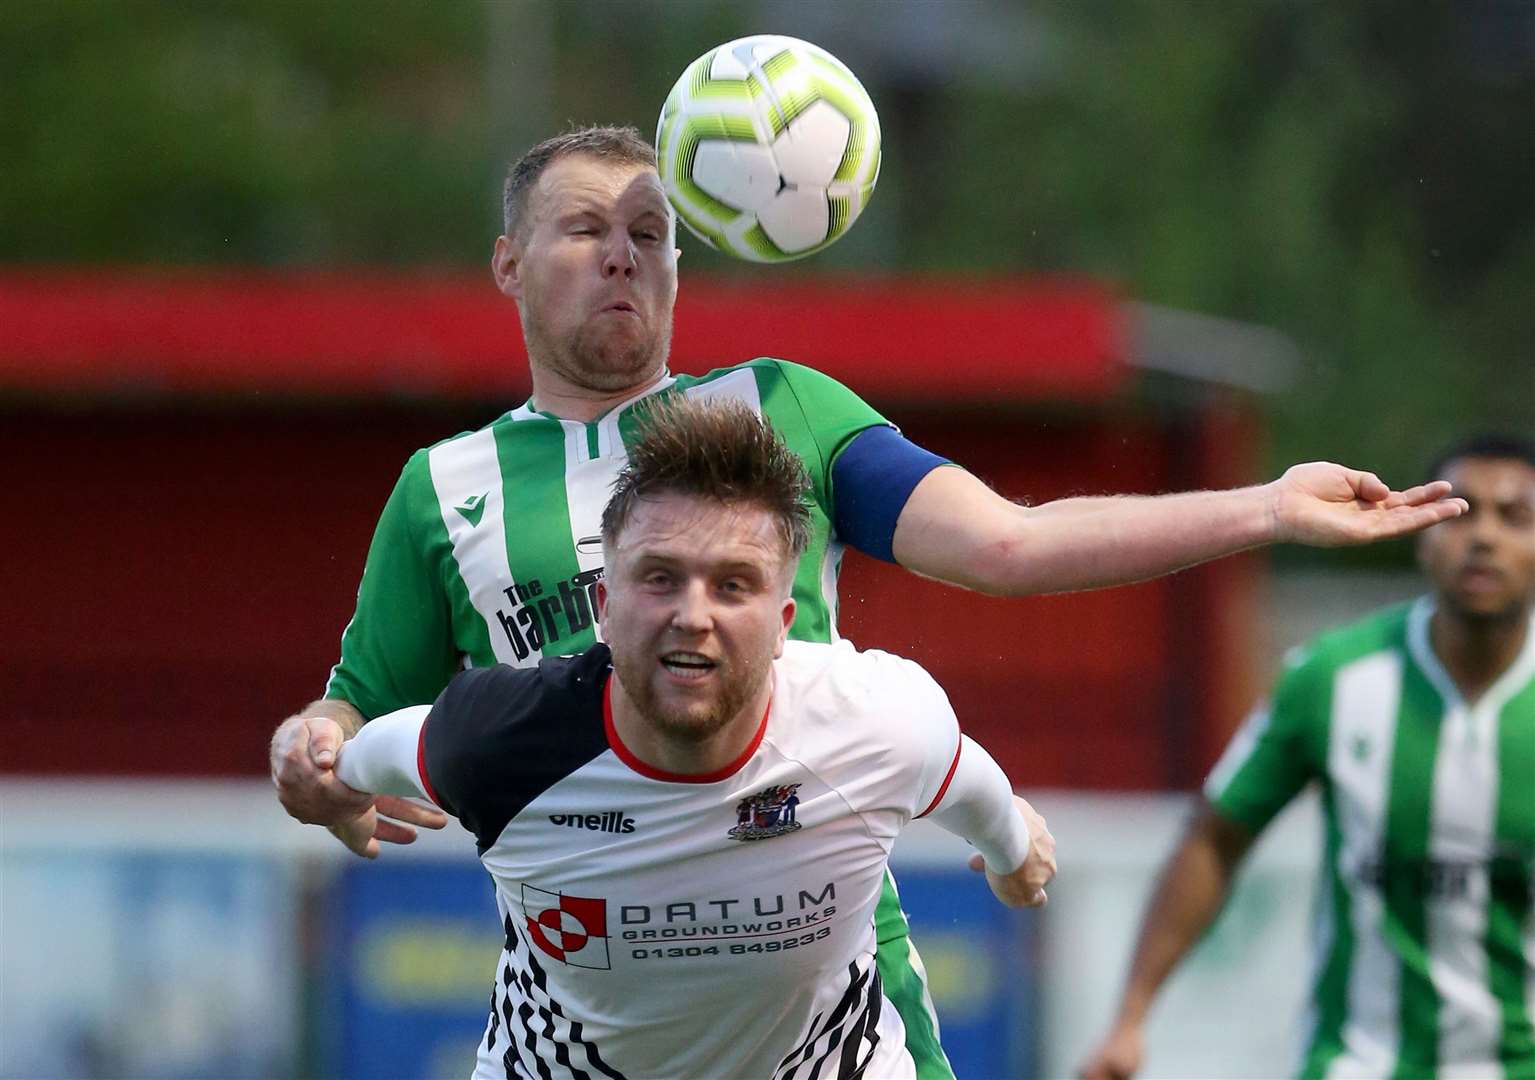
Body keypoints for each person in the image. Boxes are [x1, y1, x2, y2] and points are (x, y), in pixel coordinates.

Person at [270, 124, 1465, 1078]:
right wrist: (309, 758)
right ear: (508, 263)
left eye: (652, 231)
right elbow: (344, 715)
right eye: (584, 229)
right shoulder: (444, 489)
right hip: (594, 1004)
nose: (624, 253)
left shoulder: (777, 407)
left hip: (826, 988)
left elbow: (1010, 541)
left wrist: (1260, 507)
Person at [328, 397, 1057, 1079]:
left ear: (782, 625)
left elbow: (974, 786)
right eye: (660, 578)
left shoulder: (873, 720)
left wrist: (1014, 854)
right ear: (605, 610)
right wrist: (326, 770)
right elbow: (366, 753)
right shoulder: (493, 740)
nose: (693, 615)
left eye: (734, 585)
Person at [1078, 433, 1535, 1080]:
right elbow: (1214, 836)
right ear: (1420, 531)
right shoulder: (1331, 678)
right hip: (1355, 1064)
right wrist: (1129, 1018)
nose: (1482, 537)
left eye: (1513, 517)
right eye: (1459, 511)